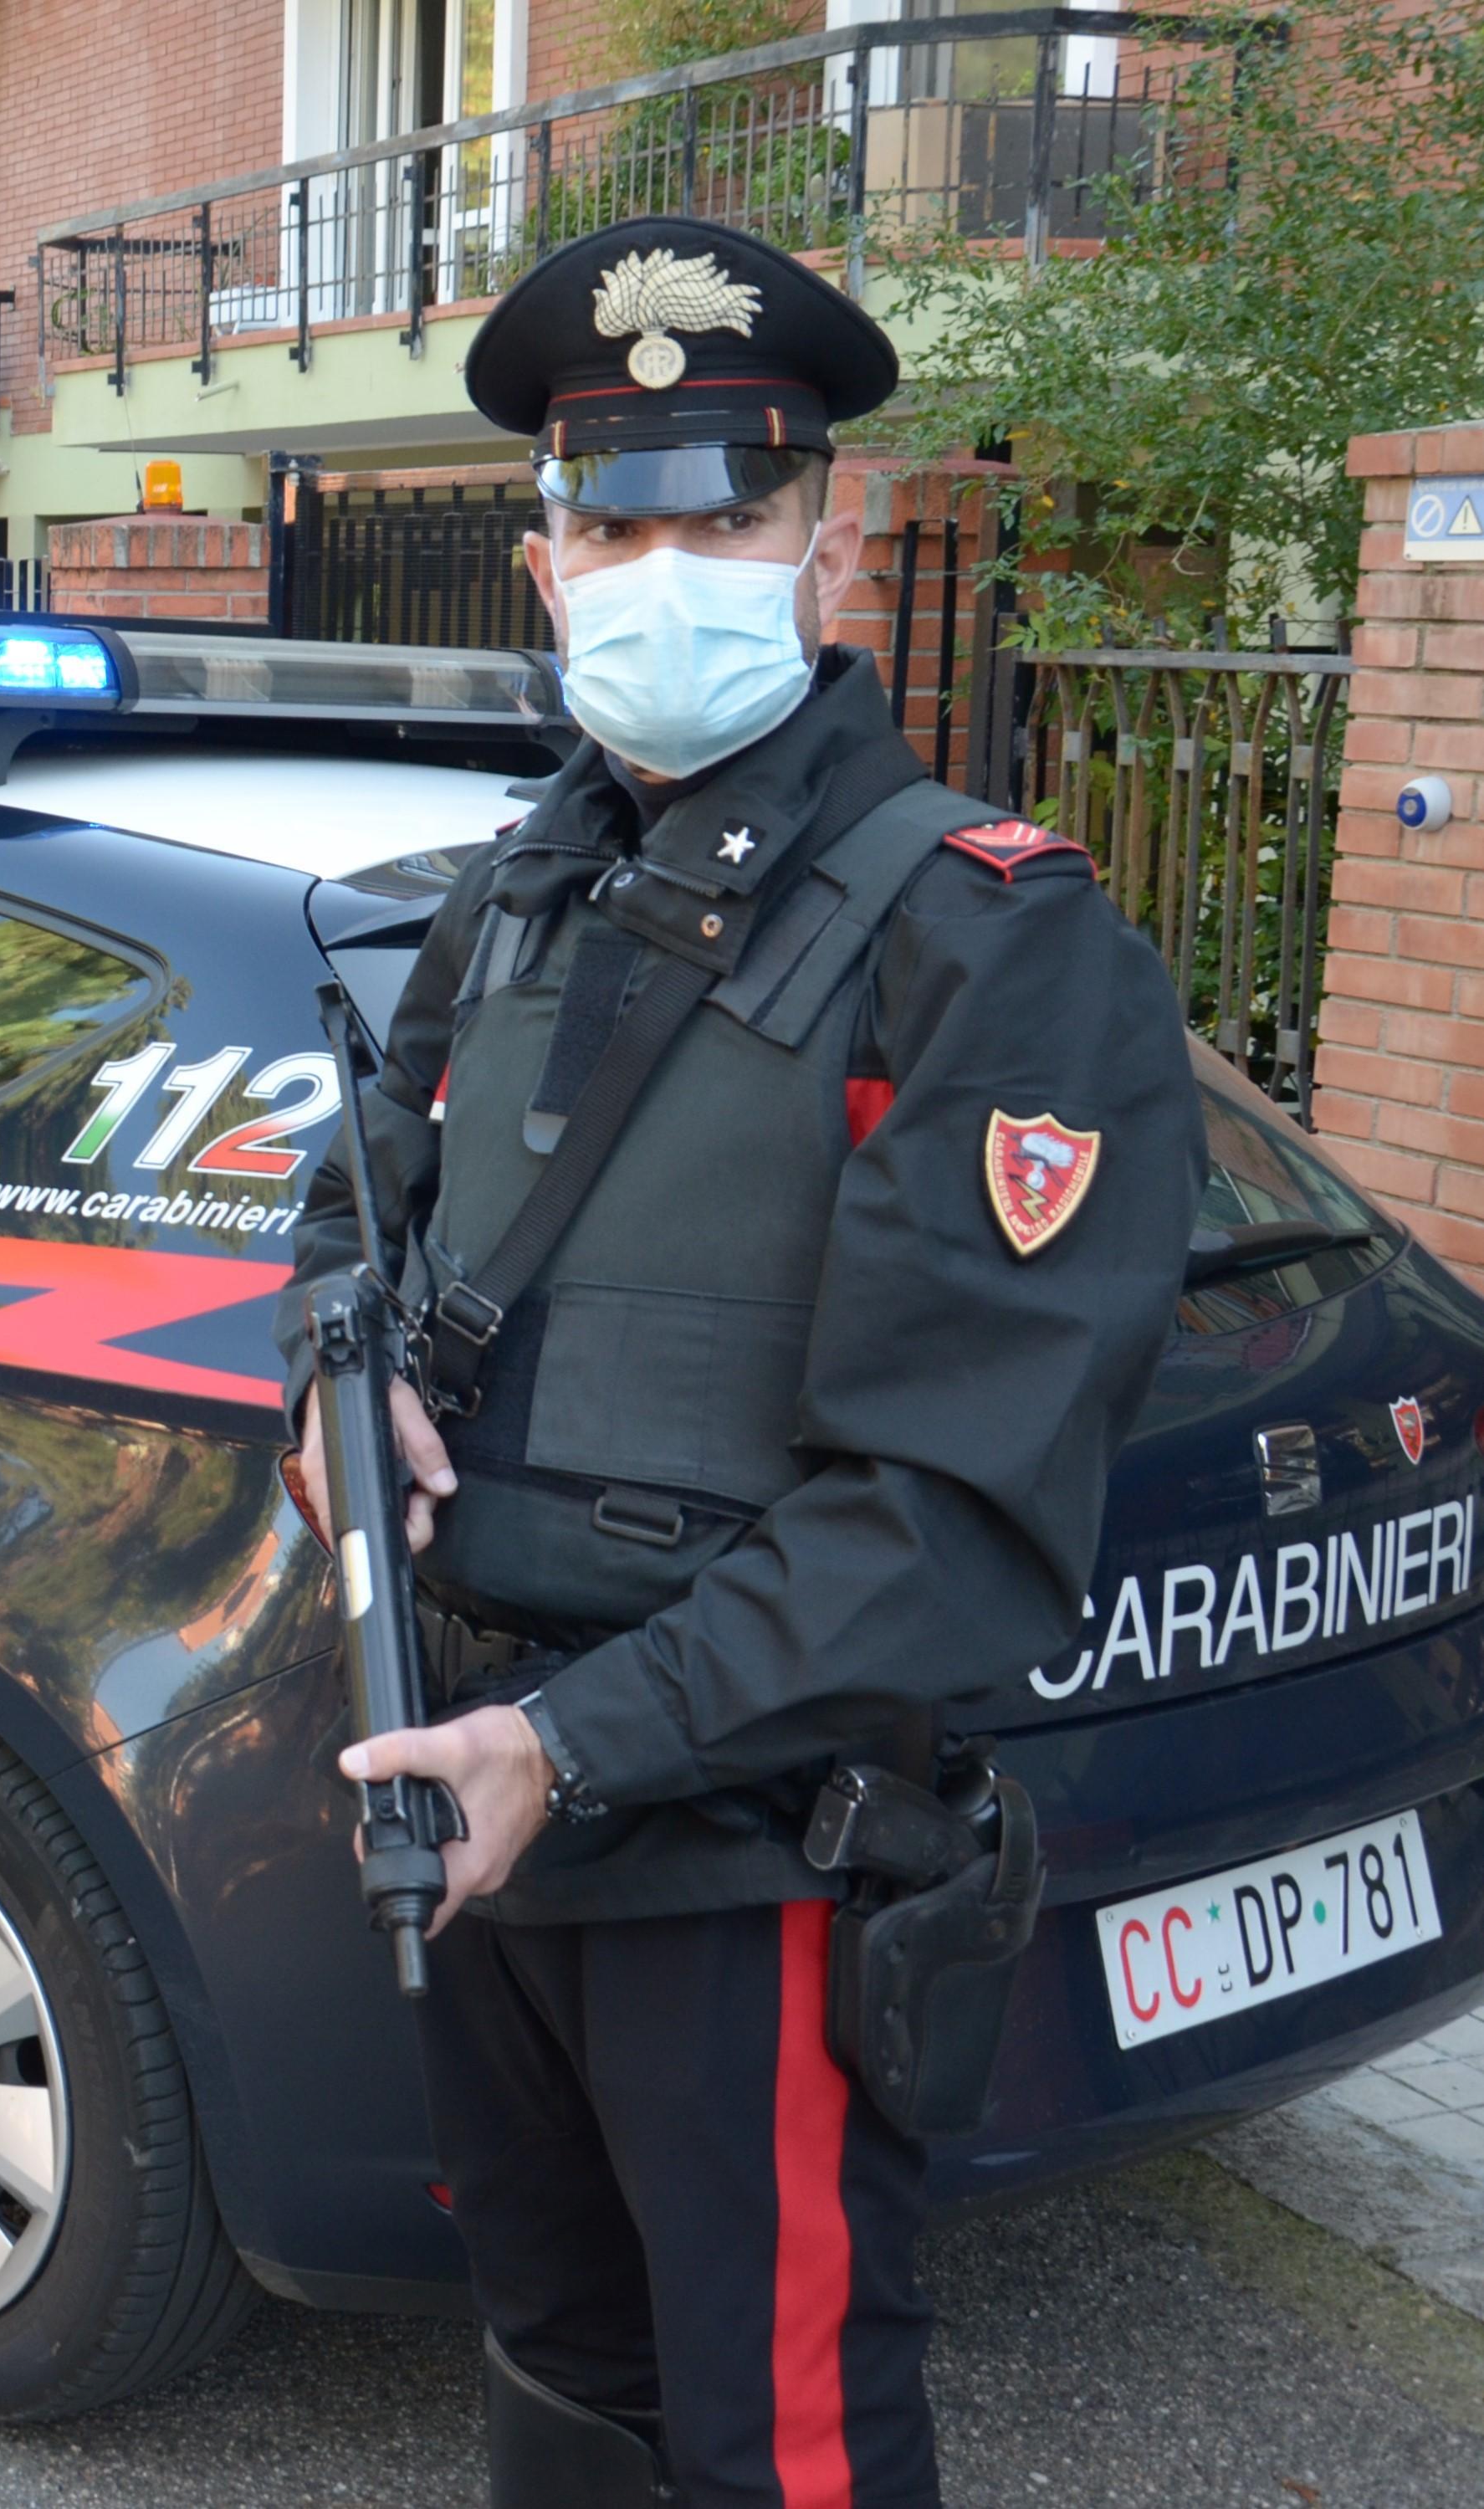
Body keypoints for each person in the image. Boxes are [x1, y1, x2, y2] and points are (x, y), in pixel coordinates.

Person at [277, 218, 1201, 2508]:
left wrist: (565, 1746)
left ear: (829, 540)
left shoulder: (984, 937)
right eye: (613, 528)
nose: (662, 571)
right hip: (477, 1799)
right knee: (557, 2370)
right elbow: (349, 1213)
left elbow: (949, 1511)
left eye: (724, 518)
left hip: (743, 1855)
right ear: (543, 565)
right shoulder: (519, 885)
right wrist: (333, 1384)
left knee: (775, 2440)